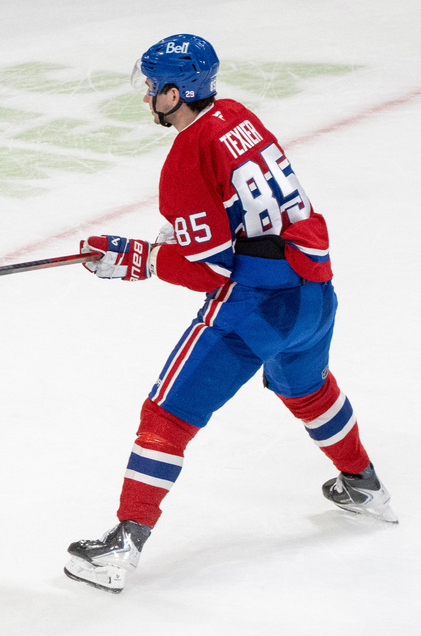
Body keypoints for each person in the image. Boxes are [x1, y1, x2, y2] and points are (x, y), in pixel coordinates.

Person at [63, 34, 396, 594]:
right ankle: (365, 485)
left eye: (152, 89)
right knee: (307, 387)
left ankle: (120, 547)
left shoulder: (183, 161)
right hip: (313, 292)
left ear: (175, 93)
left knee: (166, 416)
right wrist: (185, 236)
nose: (147, 99)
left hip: (255, 310)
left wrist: (140, 259)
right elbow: (245, 206)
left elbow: (209, 272)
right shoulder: (237, 114)